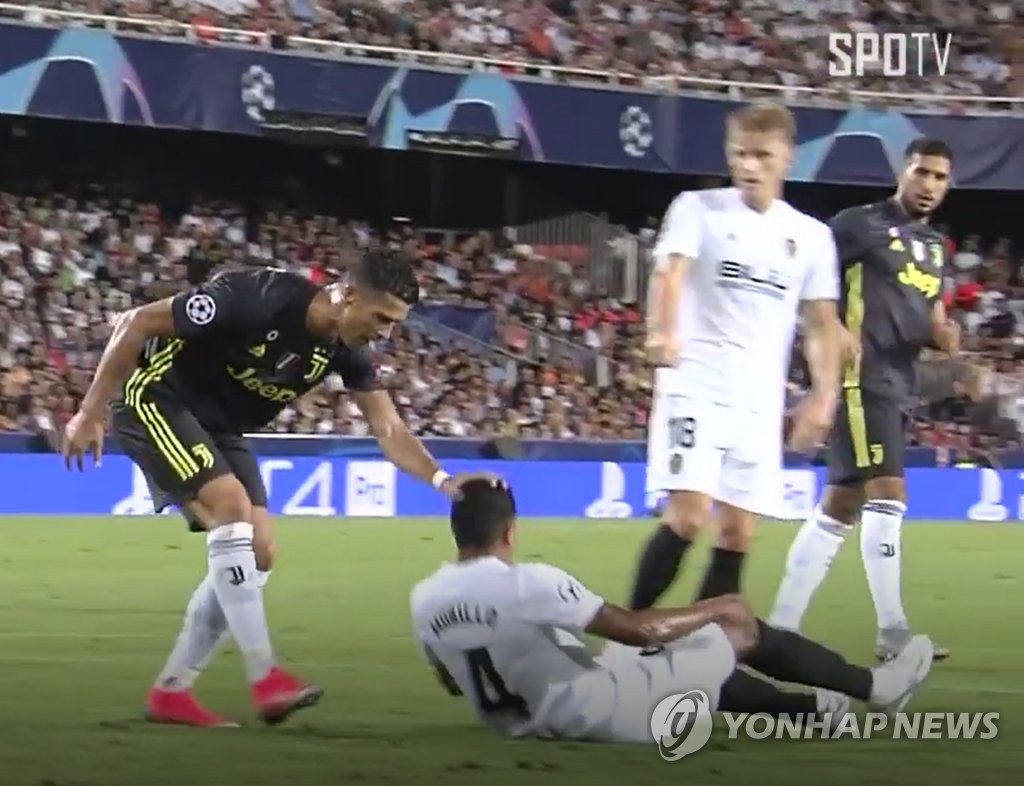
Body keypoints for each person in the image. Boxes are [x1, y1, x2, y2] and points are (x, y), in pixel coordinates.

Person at [62, 251, 494, 727]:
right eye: (382, 318)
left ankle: (172, 689)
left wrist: (443, 480)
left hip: (219, 427)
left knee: (261, 552)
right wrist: (90, 412)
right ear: (349, 295)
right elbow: (136, 322)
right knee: (231, 506)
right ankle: (265, 676)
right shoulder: (256, 297)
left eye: (394, 323)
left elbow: (388, 427)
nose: (386, 333)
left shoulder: (345, 350)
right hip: (156, 398)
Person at [410, 480, 935, 742]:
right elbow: (639, 630)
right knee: (730, 626)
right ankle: (877, 688)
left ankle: (813, 713)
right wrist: (713, 607)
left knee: (671, 660)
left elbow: (453, 683)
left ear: (457, 533)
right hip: (612, 717)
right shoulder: (529, 582)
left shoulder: (424, 597)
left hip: (528, 724)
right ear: (510, 532)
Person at [631, 101, 842, 614]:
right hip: (696, 383)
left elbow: (821, 322)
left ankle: (700, 645)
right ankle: (627, 634)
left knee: (738, 532)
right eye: (739, 154)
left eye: (762, 155)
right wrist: (661, 331)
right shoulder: (698, 208)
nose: (749, 165)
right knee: (688, 515)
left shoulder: (811, 236)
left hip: (759, 398)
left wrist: (824, 396)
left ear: (788, 157)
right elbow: (669, 272)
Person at [768, 139, 958, 661]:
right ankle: (893, 631)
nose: (929, 185)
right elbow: (810, 280)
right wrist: (829, 333)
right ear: (903, 171)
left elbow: (930, 312)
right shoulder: (859, 224)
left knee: (840, 505)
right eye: (922, 172)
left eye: (940, 177)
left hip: (900, 381)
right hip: (861, 377)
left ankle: (779, 626)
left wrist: (944, 333)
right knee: (889, 492)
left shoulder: (935, 247)